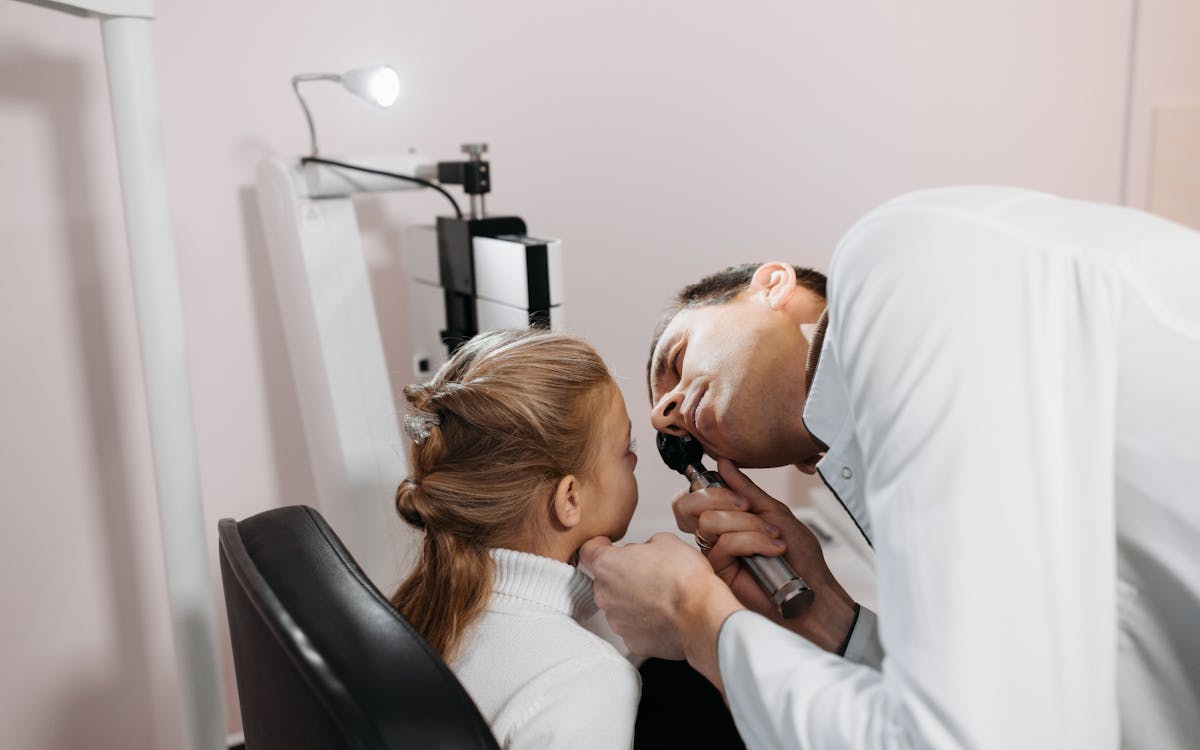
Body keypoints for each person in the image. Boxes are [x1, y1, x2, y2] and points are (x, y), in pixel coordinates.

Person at [581, 186, 1200, 749]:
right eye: (677, 431)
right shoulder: (895, 471)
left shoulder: (899, 262)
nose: (665, 414)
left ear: (773, 285)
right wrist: (830, 618)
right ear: (806, 459)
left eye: (677, 356)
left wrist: (697, 620)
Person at [390, 328, 641, 749]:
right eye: (624, 449)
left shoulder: (413, 612)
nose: (634, 460)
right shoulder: (584, 679)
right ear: (569, 499)